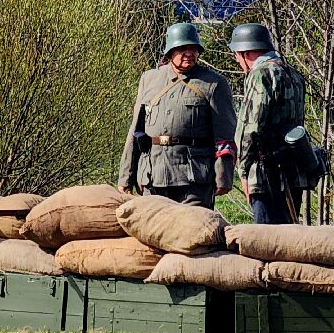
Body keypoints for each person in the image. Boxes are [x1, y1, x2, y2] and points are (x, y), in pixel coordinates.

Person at [119, 22, 236, 209]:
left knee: (193, 234)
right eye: (182, 49)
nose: (189, 54)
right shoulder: (149, 80)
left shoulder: (214, 84)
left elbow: (225, 136)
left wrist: (223, 176)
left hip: (193, 178)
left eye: (193, 49)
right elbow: (136, 131)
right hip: (153, 175)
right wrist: (126, 177)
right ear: (170, 52)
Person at [229, 23, 307, 225]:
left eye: (237, 55)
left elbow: (251, 127)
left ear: (246, 53)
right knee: (290, 238)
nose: (238, 61)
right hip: (294, 170)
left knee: (266, 243)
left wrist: (244, 171)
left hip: (265, 174)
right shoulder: (294, 75)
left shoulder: (261, 74)